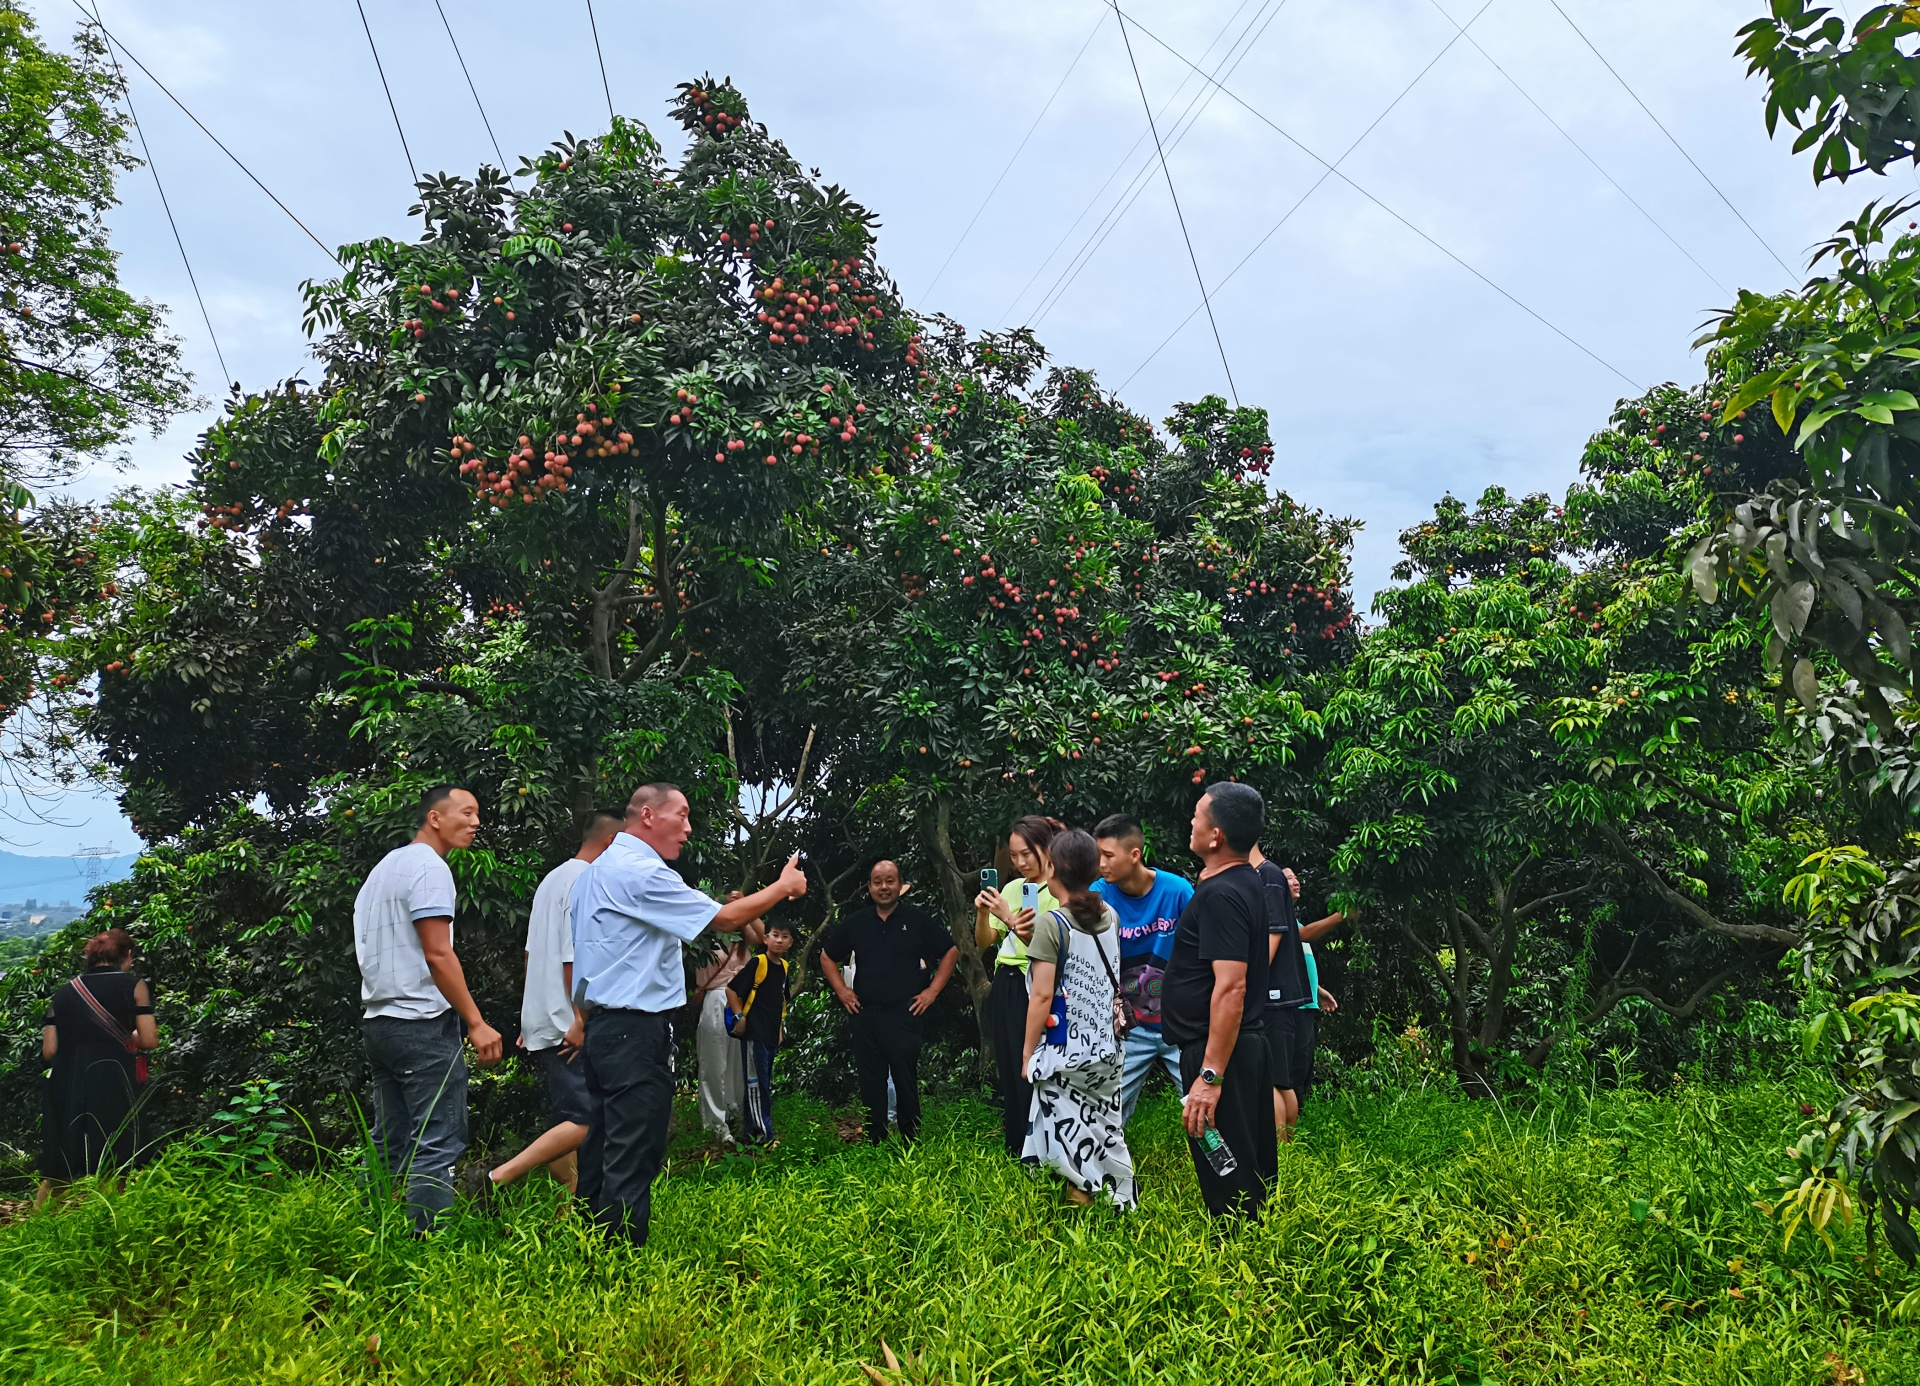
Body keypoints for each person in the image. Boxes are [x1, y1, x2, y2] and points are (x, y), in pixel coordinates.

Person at [570, 783, 806, 1247]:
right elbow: (722, 918)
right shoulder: (640, 872)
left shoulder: (594, 874)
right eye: (682, 814)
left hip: (602, 1027)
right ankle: (620, 1264)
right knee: (633, 1149)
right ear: (647, 814)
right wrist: (781, 887)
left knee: (601, 1144)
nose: (688, 827)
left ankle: (590, 1248)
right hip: (633, 1031)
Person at [355, 783, 503, 1234]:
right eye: (467, 812)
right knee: (437, 1139)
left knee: (389, 1138)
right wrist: (475, 1022)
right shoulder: (429, 868)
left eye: (479, 814)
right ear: (434, 818)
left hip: (380, 1022)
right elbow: (438, 954)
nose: (476, 822)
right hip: (420, 1023)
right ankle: (427, 1243)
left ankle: (368, 1230)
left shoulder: (384, 869)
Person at [462, 808, 623, 1210]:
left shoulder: (552, 879)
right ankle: (496, 1179)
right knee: (587, 1119)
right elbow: (574, 958)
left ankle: (572, 1207)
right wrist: (581, 1018)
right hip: (569, 1019)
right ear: (611, 843)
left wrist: (529, 1012)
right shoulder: (588, 880)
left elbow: (532, 953)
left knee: (567, 1116)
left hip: (545, 1014)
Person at [1163, 782, 1275, 1219]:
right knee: (1244, 1166)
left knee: (1229, 1175)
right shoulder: (1237, 881)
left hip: (1221, 1050)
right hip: (1234, 1048)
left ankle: (1239, 1263)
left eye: (1197, 816)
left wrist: (1209, 1077)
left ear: (1216, 837)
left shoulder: (1223, 895)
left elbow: (1231, 987)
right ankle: (1251, 1248)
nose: (1191, 822)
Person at [1020, 829, 1135, 1209]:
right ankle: (1116, 1196)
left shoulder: (1052, 923)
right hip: (1109, 1047)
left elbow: (1041, 995)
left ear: (1051, 867)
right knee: (1104, 1125)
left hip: (1065, 1051)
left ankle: (1082, 1200)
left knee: (1067, 1130)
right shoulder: (1111, 914)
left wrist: (1026, 1055)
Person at [822, 859, 958, 1145]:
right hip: (865, 1014)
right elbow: (827, 956)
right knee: (871, 1081)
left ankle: (911, 1139)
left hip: (904, 1013)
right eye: (877, 881)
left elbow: (950, 951)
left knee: (905, 1079)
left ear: (900, 885)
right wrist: (842, 991)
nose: (884, 887)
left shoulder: (917, 920)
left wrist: (931, 991)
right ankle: (875, 1140)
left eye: (890, 881)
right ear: (870, 887)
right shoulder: (857, 922)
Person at [36, 928, 159, 1206]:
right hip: (111, 1078)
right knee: (116, 1156)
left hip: (67, 1080)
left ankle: (40, 1222)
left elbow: (50, 1050)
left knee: (62, 1160)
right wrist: (129, 1038)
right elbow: (149, 1040)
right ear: (127, 955)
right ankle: (107, 1221)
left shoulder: (65, 991)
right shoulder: (134, 985)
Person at [1090, 814, 1195, 1126]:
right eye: (1099, 855)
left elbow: (1202, 951)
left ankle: (1226, 1171)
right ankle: (1105, 1173)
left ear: (1134, 854)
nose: (1101, 863)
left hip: (1180, 1025)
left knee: (1206, 1108)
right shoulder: (1099, 894)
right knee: (1109, 1113)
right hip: (1129, 1027)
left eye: (1108, 855)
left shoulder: (1176, 891)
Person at [974, 816, 1062, 1156]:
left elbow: (1048, 944)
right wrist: (984, 913)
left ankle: (1044, 1146)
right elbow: (984, 940)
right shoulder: (1010, 889)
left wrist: (1010, 918)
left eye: (1027, 853)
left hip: (1039, 983)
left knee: (1037, 1065)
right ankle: (1017, 1145)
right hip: (1007, 981)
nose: (1021, 862)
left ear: (1046, 848)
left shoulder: (1059, 890)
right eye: (1014, 856)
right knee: (1011, 1065)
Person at [1248, 843, 1311, 1143]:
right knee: (1277, 1078)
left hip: (1274, 998)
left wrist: (1249, 984)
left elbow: (1274, 935)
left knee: (1275, 1080)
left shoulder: (1268, 876)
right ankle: (1286, 1148)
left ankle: (1282, 1147)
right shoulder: (1262, 876)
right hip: (1275, 998)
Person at [727, 918, 795, 1146]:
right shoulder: (758, 963)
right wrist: (740, 1017)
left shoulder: (783, 968)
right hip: (754, 1033)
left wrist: (779, 1028)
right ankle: (763, 1134)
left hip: (769, 1034)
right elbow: (732, 990)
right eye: (775, 934)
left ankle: (750, 1131)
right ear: (765, 938)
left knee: (762, 1082)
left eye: (784, 936)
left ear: (790, 943)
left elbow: (780, 1001)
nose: (779, 940)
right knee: (756, 1084)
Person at [693, 938, 750, 1143]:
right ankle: (716, 1124)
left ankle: (736, 1113)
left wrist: (743, 909)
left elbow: (763, 935)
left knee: (738, 1063)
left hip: (741, 1002)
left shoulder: (743, 938)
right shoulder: (704, 938)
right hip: (716, 997)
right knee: (714, 1062)